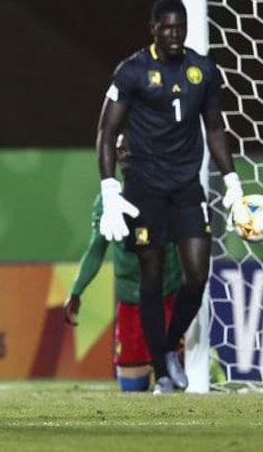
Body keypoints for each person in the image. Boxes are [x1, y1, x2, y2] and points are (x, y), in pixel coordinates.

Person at [96, 0, 243, 394]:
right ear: (153, 28)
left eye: (180, 28)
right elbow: (107, 133)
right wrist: (110, 187)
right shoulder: (132, 72)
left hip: (186, 187)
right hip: (144, 188)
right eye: (167, 28)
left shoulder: (203, 71)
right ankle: (161, 371)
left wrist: (231, 181)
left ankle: (167, 351)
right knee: (152, 278)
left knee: (197, 275)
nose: (174, 35)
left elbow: (214, 129)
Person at [65, 136, 183, 392]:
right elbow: (96, 249)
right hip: (132, 301)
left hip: (167, 297)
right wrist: (76, 290)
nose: (125, 153)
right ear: (116, 156)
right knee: (132, 387)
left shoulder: (168, 191)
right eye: (120, 149)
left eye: (130, 147)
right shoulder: (107, 201)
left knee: (177, 385)